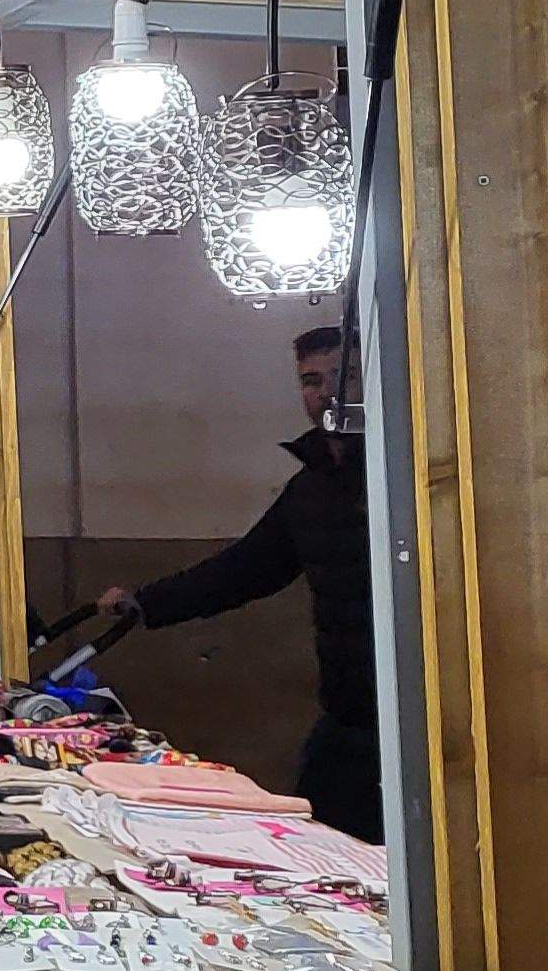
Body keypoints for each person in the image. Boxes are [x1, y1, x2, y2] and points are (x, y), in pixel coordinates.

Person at [99, 324, 378, 841]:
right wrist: (148, 602)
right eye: (310, 381)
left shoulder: (404, 477)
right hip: (348, 716)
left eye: (342, 377)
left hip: (418, 725)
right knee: (322, 844)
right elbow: (245, 569)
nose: (324, 394)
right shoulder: (309, 491)